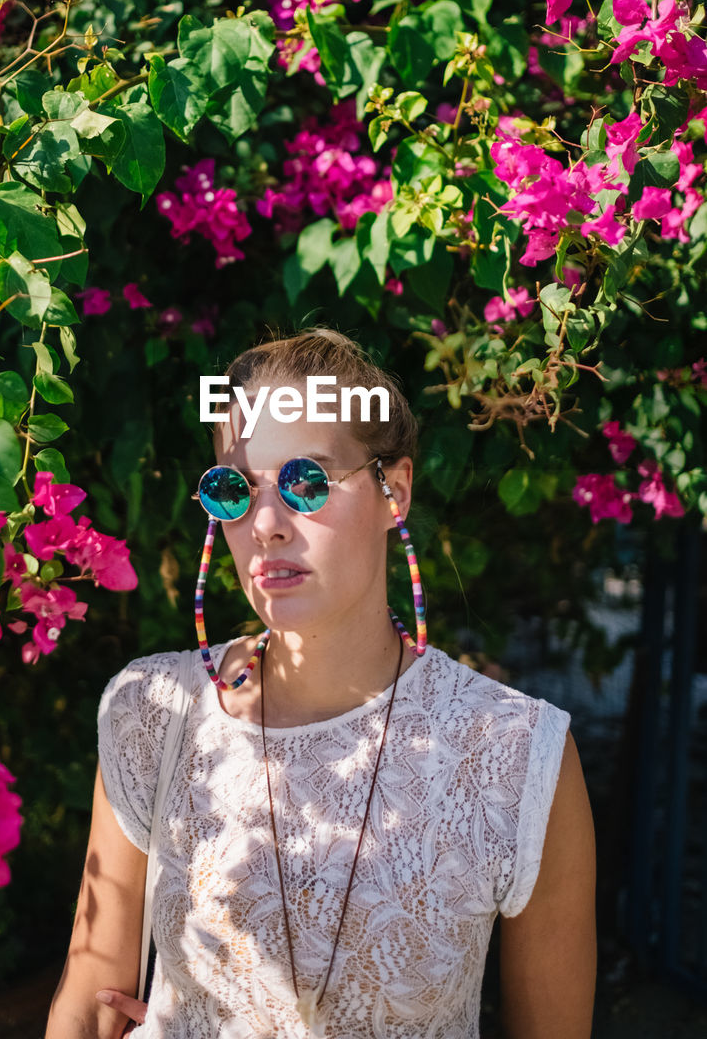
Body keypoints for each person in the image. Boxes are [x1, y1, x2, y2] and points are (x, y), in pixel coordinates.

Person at [46, 329, 596, 1039]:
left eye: (305, 482)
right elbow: (91, 996)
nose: (267, 524)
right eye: (233, 489)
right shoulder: (155, 710)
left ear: (392, 489)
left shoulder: (517, 754)